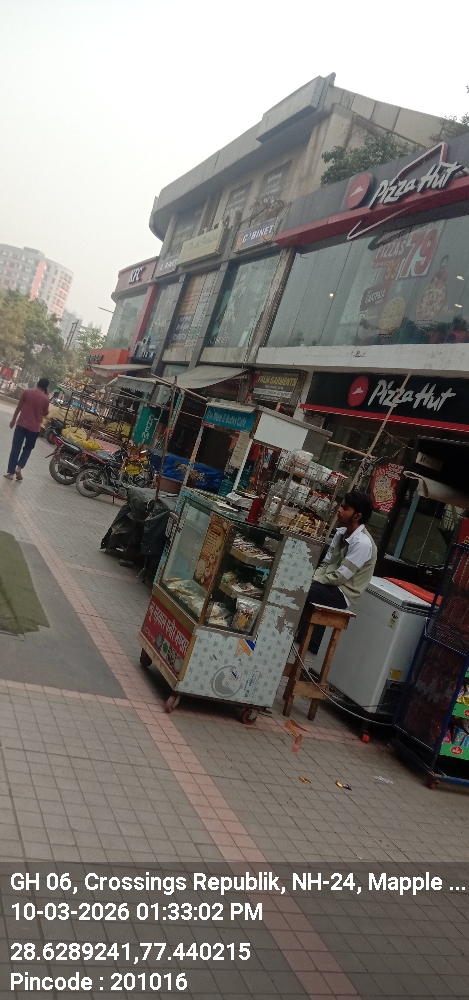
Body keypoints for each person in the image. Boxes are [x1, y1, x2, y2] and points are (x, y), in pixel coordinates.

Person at [299, 489, 377, 654]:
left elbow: (340, 577)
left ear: (357, 516)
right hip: (327, 585)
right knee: (298, 582)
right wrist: (312, 578)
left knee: (300, 589)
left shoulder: (362, 543)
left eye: (345, 508)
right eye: (341, 506)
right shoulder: (340, 533)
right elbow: (326, 563)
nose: (339, 510)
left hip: (341, 593)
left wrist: (311, 581)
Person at [4, 377, 50, 481]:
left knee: (16, 448)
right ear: (46, 387)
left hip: (21, 425)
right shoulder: (46, 399)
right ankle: (19, 468)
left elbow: (19, 407)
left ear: (37, 383)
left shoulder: (27, 392)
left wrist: (13, 420)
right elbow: (45, 413)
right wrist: (46, 397)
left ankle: (10, 473)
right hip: (34, 429)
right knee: (28, 449)